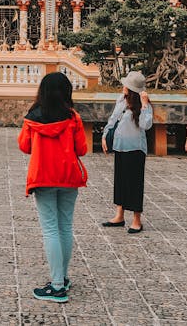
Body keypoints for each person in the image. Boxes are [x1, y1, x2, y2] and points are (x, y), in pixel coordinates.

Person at [18, 72, 88, 303]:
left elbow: (24, 146)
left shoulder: (33, 118)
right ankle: (63, 278)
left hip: (44, 176)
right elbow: (82, 149)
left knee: (50, 230)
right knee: (65, 227)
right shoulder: (73, 118)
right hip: (68, 176)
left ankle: (57, 286)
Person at [100, 71, 153, 234]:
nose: (123, 87)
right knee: (120, 181)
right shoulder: (121, 100)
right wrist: (105, 135)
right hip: (119, 145)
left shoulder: (144, 105)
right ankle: (119, 214)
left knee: (135, 184)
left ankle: (137, 219)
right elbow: (113, 118)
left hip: (136, 148)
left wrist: (144, 105)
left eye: (126, 85)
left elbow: (146, 125)